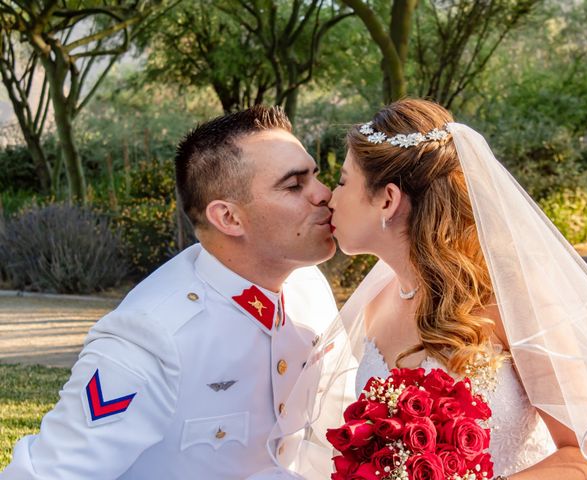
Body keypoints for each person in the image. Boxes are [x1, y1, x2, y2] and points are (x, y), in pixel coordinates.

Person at [268, 98, 587, 479]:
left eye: (344, 181)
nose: (330, 195)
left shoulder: (507, 301)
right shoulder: (375, 305)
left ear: (388, 200)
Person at [1, 105, 338, 480]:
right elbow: (50, 474)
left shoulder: (309, 284)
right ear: (228, 218)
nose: (324, 194)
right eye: (295, 185)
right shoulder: (151, 336)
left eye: (316, 176)